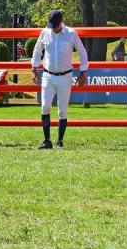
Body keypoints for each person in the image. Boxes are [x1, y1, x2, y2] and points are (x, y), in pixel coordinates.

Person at [31, 9, 89, 150]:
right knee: (45, 106)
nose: (53, 29)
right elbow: (37, 50)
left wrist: (83, 72)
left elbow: (82, 51)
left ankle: (59, 141)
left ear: (61, 23)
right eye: (51, 26)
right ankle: (47, 140)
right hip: (47, 76)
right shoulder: (45, 32)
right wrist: (34, 67)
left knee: (62, 110)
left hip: (65, 76)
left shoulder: (71, 33)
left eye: (54, 26)